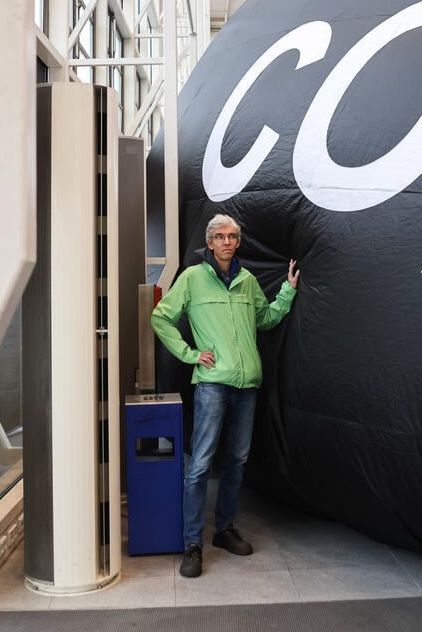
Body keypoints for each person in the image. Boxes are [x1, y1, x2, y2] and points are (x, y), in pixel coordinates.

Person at [151, 214, 300, 578]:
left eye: (233, 236)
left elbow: (265, 319)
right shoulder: (192, 278)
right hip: (212, 384)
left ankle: (224, 530)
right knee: (201, 464)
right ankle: (192, 544)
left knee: (236, 462)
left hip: (246, 385)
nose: (228, 242)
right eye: (221, 236)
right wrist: (190, 355)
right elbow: (160, 318)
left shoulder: (247, 281)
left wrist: (288, 290)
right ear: (210, 242)